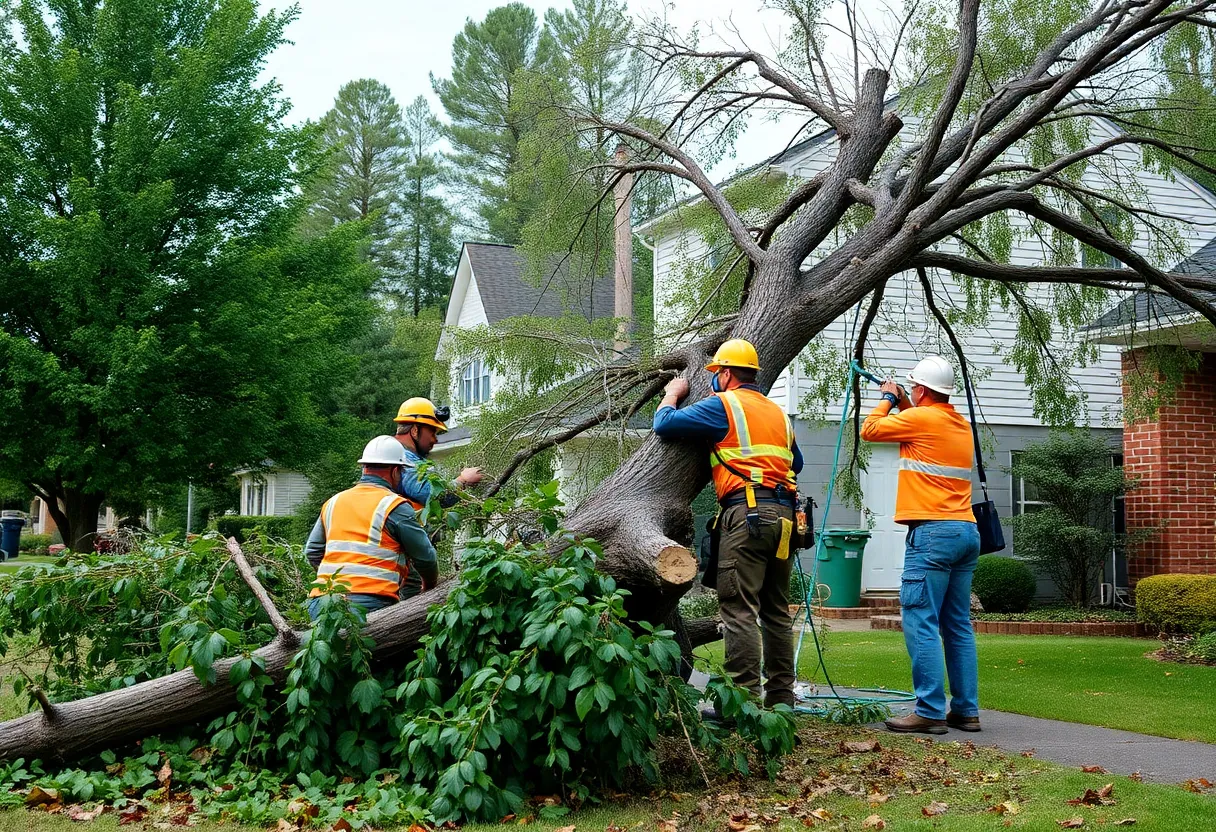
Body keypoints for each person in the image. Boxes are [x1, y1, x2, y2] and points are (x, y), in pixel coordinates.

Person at [653, 338, 804, 712]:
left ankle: (743, 702)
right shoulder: (778, 414)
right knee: (775, 610)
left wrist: (672, 393)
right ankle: (782, 699)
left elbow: (664, 424)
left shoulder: (724, 405)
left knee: (738, 610)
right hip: (785, 518)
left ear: (724, 373)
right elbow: (794, 463)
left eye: (716, 373)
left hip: (747, 515)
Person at [859, 356, 981, 735]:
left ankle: (928, 710)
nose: (909, 391)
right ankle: (965, 710)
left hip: (931, 534)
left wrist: (886, 397)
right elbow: (920, 421)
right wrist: (904, 400)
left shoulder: (920, 419)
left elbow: (870, 429)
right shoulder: (957, 423)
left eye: (913, 387)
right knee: (957, 625)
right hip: (965, 531)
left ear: (923, 390)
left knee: (921, 620)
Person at [304, 435, 439, 621]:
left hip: (323, 601)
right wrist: (430, 587)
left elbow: (312, 551)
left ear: (364, 467)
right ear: (394, 471)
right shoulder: (395, 506)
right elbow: (425, 557)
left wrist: (339, 581)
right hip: (370, 602)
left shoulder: (334, 502)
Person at [392, 397, 483, 511]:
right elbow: (435, 498)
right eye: (432, 433)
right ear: (415, 431)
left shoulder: (409, 457)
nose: (435, 440)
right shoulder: (404, 459)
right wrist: (463, 480)